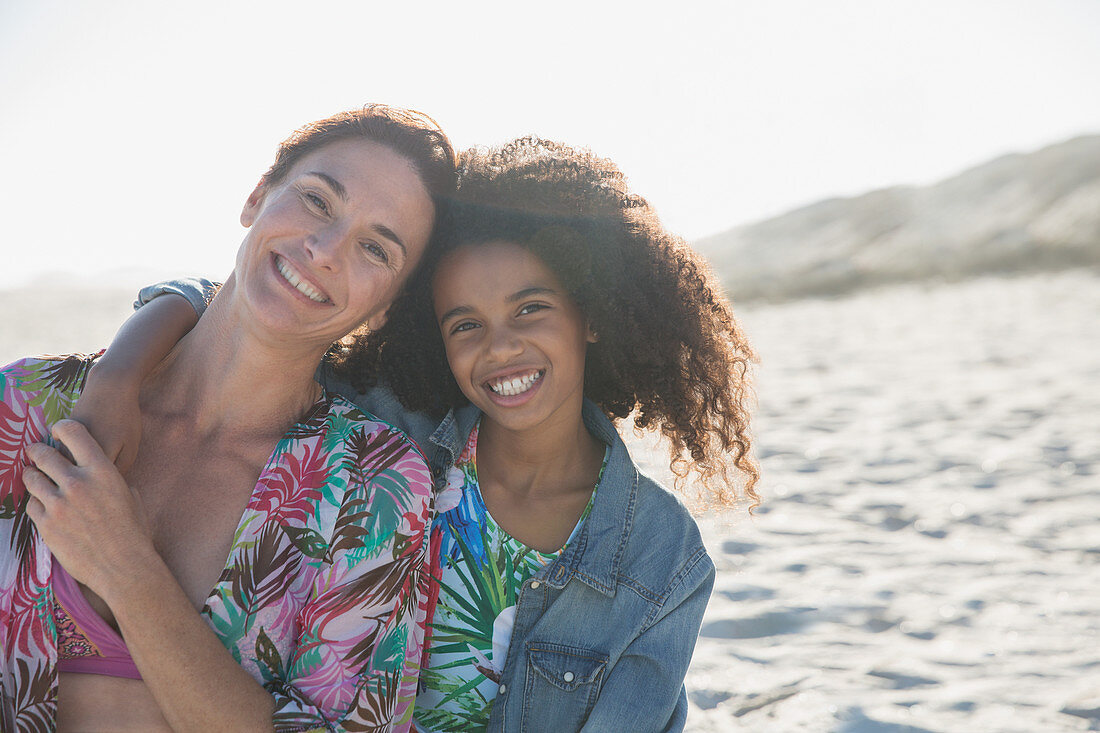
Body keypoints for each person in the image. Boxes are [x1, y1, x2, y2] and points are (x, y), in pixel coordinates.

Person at [76, 137, 758, 732]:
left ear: (592, 315)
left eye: (531, 308)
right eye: (466, 323)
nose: (502, 348)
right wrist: (120, 373)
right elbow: (244, 314)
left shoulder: (660, 559)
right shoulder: (389, 433)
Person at [0, 104, 457, 732]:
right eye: (319, 200)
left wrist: (127, 568)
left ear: (386, 309)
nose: (324, 250)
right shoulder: (25, 405)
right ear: (257, 197)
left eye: (375, 248)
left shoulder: (371, 485)